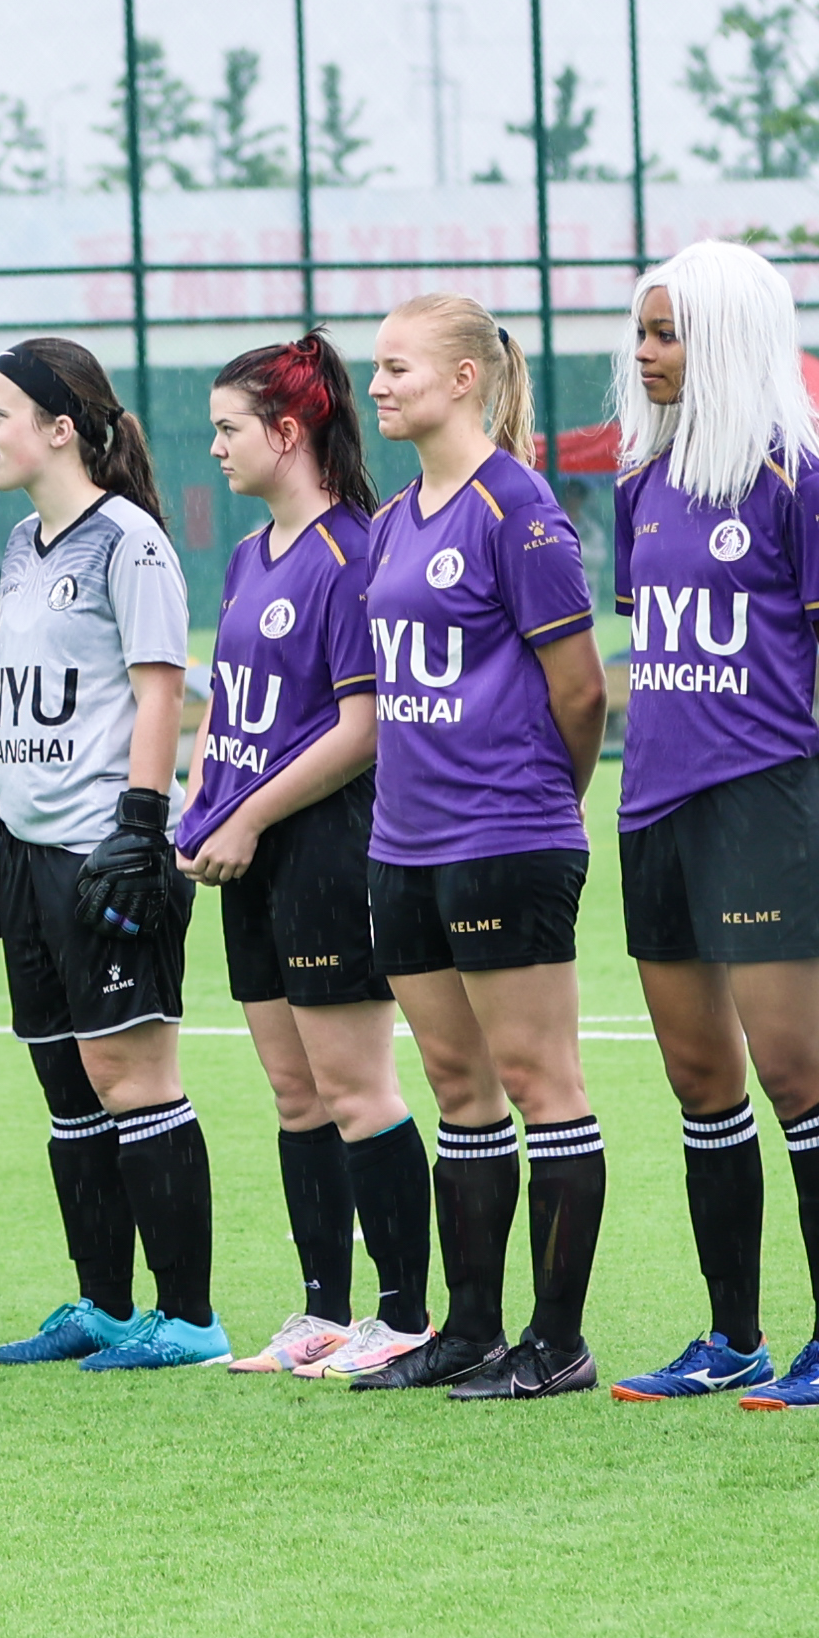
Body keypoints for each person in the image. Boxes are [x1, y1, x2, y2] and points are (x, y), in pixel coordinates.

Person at [604, 239, 819, 1408]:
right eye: (645, 332)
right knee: (698, 1081)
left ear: (727, 338)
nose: (648, 353)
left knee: (794, 1071)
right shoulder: (639, 484)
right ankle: (730, 1337)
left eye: (668, 333)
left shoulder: (796, 481)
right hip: (652, 805)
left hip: (764, 804)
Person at [353, 294, 611, 1399]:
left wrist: (541, 799)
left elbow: (583, 690)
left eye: (399, 367)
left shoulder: (519, 509)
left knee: (539, 1081)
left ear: (466, 378)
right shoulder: (393, 517)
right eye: (376, 368)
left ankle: (557, 1342)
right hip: (403, 844)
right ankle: (469, 1330)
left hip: (505, 835)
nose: (379, 387)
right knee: (459, 1086)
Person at [0, 336, 221, 1372]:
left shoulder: (129, 541)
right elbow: (16, 696)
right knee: (67, 1085)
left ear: (59, 428)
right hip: (30, 853)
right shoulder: (25, 546)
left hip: (102, 850)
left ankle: (191, 1319)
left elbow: (161, 686)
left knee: (133, 1078)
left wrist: (141, 822)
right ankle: (105, 1306)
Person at [181, 333, 425, 1379]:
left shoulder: (353, 554)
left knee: (357, 1088)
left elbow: (359, 728)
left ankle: (404, 1314)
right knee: (294, 1095)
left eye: (230, 430)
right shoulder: (247, 556)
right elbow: (228, 708)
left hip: (325, 847)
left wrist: (248, 818)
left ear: (290, 432)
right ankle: (322, 1311)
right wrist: (199, 806)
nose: (217, 450)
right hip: (249, 863)